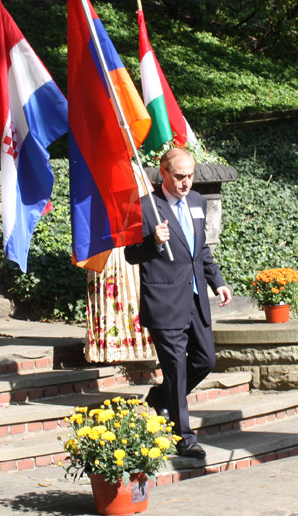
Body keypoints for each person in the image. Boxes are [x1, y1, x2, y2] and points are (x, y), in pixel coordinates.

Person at [124, 148, 232, 458]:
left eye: (190, 176)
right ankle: (183, 437)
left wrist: (218, 282)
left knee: (205, 360)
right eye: (179, 176)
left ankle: (160, 399)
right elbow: (132, 254)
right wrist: (153, 243)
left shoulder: (197, 201)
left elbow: (201, 251)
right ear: (163, 173)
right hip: (165, 301)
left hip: (196, 297)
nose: (186, 182)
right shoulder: (146, 207)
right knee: (176, 370)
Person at [84, 164, 156, 363]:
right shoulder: (96, 166)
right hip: (106, 236)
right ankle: (110, 346)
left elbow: (149, 203)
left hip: (131, 236)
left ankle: (135, 343)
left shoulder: (135, 169)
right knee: (110, 290)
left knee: (134, 290)